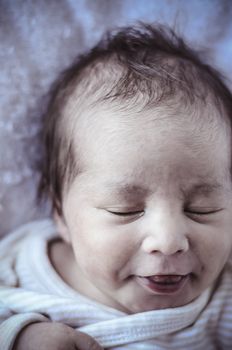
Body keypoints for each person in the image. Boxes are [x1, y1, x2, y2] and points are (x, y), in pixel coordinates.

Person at [0, 23, 232, 350]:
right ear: (60, 214)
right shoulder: (19, 266)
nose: (168, 241)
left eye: (201, 209)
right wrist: (19, 336)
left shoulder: (222, 296)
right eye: (125, 210)